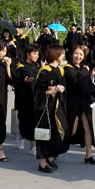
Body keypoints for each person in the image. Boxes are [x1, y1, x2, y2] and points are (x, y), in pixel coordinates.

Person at [33, 44, 68, 173]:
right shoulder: (44, 71)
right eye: (61, 53)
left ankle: (50, 157)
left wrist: (60, 89)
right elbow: (37, 92)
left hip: (56, 107)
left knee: (55, 133)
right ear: (55, 55)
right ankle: (42, 163)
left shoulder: (60, 70)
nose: (63, 56)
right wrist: (51, 91)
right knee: (44, 134)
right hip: (45, 108)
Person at [65, 45, 95, 164]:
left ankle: (88, 155)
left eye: (81, 54)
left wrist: (91, 75)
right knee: (70, 129)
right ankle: (54, 152)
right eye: (76, 53)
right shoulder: (68, 68)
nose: (78, 56)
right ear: (72, 54)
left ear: (84, 57)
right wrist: (85, 72)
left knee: (87, 127)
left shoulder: (84, 68)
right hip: (72, 102)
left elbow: (87, 85)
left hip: (84, 102)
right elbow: (76, 81)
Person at [14, 45, 40, 154]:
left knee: (30, 123)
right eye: (34, 54)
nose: (36, 56)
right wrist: (24, 80)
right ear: (28, 54)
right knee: (28, 122)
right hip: (25, 100)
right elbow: (18, 79)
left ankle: (21, 137)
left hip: (35, 98)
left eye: (37, 54)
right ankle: (33, 147)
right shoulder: (21, 67)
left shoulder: (36, 67)